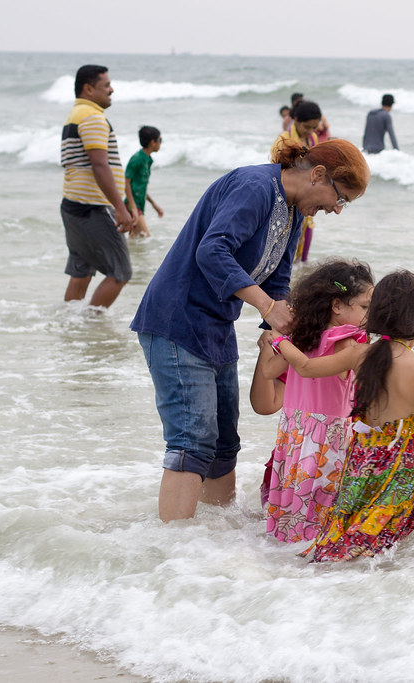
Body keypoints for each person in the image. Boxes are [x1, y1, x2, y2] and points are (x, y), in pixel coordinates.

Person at [130, 138, 370, 523]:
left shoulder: (294, 212)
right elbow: (212, 251)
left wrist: (277, 329)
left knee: (224, 443)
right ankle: (172, 553)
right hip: (177, 321)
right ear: (318, 175)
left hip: (216, 325)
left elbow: (279, 278)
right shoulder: (255, 186)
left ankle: (218, 535)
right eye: (340, 198)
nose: (336, 210)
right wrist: (267, 308)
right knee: (193, 439)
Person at [270, 270, 414, 562]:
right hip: (395, 475)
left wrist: (279, 340)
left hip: (358, 467)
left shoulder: (360, 354)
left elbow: (303, 366)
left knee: (347, 533)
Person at [251, 259, 374, 544]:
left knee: (295, 510)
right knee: (322, 512)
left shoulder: (301, 340)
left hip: (295, 438)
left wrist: (274, 340)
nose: (371, 314)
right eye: (365, 306)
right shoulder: (348, 342)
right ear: (337, 306)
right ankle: (317, 566)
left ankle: (286, 558)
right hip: (327, 440)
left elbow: (269, 371)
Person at [60, 64, 136, 308]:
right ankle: (92, 327)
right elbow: (99, 165)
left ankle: (72, 325)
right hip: (92, 207)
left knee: (81, 270)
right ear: (88, 89)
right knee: (121, 273)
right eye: (106, 85)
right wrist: (120, 207)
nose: (111, 90)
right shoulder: (92, 117)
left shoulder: (75, 114)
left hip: (73, 205)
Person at [271, 101, 325, 262]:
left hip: (306, 200)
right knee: (284, 249)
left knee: (303, 256)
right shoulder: (283, 141)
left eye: (314, 128)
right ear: (296, 121)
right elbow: (275, 172)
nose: (311, 132)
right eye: (307, 127)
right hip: (287, 199)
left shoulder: (313, 138)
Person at [124, 126, 164, 238]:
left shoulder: (148, 160)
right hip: (133, 205)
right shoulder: (137, 159)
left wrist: (154, 204)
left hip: (139, 205)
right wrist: (134, 209)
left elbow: (140, 187)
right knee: (146, 237)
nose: (160, 143)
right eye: (160, 140)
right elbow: (126, 183)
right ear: (153, 142)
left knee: (135, 239)